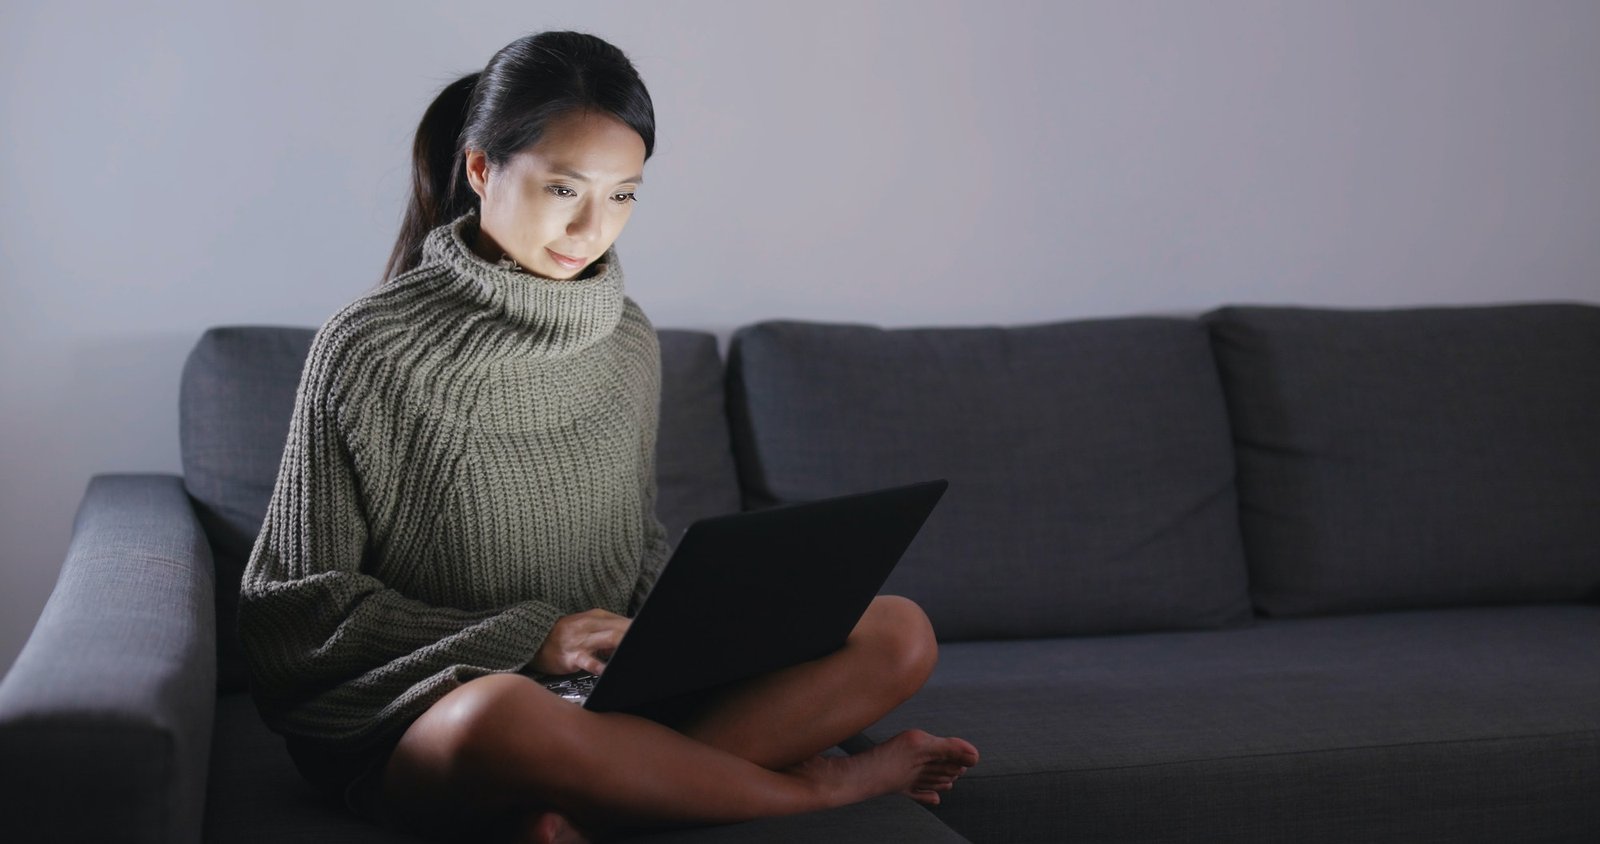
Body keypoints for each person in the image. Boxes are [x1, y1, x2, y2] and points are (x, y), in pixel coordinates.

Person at [237, 29, 979, 844]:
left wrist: (696, 632)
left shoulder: (626, 339)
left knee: (897, 631)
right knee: (504, 715)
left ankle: (597, 802)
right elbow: (294, 616)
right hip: (432, 713)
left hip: (609, 699)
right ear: (481, 170)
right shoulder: (367, 348)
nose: (592, 226)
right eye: (564, 189)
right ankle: (819, 790)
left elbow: (632, 549)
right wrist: (532, 641)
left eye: (623, 195)